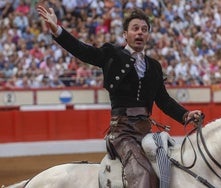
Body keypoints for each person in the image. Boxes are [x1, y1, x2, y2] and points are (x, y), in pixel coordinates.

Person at [37, 5, 203, 188]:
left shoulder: (154, 66)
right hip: (122, 132)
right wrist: (58, 31)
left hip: (145, 131)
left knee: (171, 165)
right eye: (135, 29)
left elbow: (164, 100)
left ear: (148, 35)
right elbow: (83, 51)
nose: (140, 33)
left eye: (144, 30)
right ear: (125, 34)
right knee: (141, 171)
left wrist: (185, 115)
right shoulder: (112, 55)